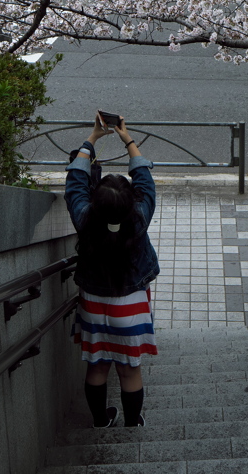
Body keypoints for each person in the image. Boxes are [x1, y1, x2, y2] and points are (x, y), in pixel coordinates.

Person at [65, 112, 159, 429]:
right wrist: (127, 138)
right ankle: (133, 423)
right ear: (131, 202)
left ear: (96, 201)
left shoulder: (85, 217)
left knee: (97, 365)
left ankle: (100, 420)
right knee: (129, 369)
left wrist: (92, 138)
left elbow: (75, 182)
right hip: (130, 304)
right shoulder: (138, 218)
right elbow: (145, 179)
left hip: (92, 302)